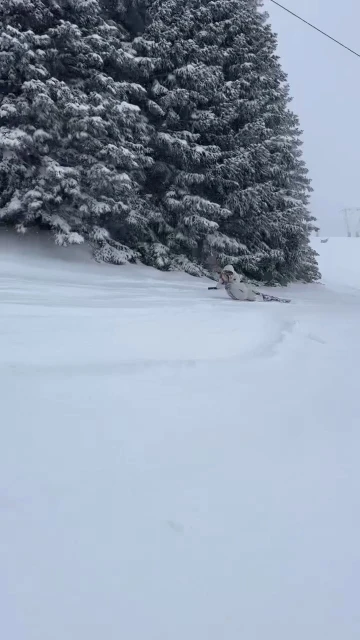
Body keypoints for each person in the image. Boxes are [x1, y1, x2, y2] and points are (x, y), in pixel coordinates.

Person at [214, 265, 291, 303]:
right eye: (226, 273)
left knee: (260, 297)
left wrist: (230, 281)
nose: (229, 275)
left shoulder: (235, 277)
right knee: (259, 296)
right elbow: (219, 286)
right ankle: (272, 299)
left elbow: (238, 285)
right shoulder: (223, 279)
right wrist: (221, 281)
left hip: (247, 292)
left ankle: (276, 300)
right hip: (243, 294)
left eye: (230, 273)